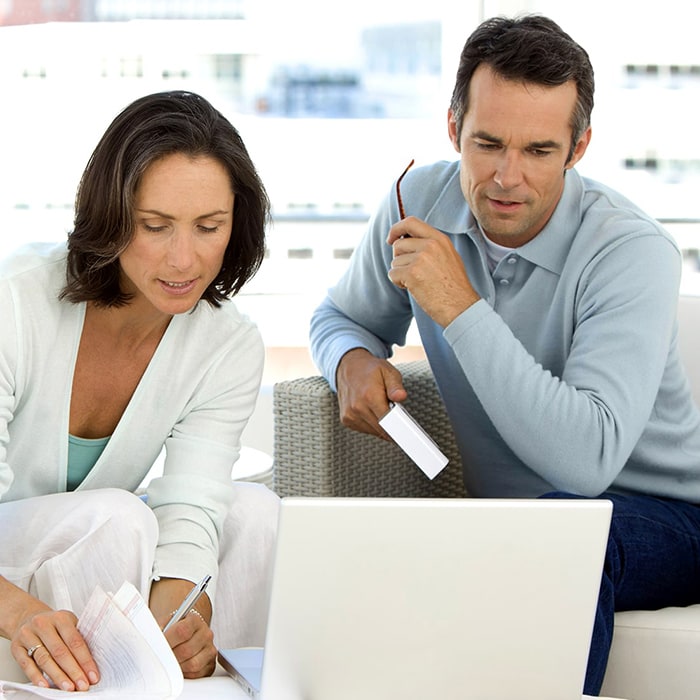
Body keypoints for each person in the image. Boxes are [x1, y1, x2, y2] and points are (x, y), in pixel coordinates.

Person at [309, 14, 700, 696]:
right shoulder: (417, 201)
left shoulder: (631, 251)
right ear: (454, 128)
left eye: (540, 151)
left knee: (567, 537)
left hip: (667, 515)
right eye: (487, 143)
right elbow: (341, 314)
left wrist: (459, 307)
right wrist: (349, 359)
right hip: (513, 523)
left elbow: (586, 464)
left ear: (579, 148)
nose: (506, 178)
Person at [0, 91, 280, 690]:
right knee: (119, 519)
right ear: (111, 216)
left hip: (77, 564)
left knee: (255, 514)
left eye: (209, 227)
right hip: (9, 582)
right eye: (155, 227)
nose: (184, 259)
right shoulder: (15, 304)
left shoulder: (227, 344)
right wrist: (23, 616)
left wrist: (181, 623)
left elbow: (189, 514)